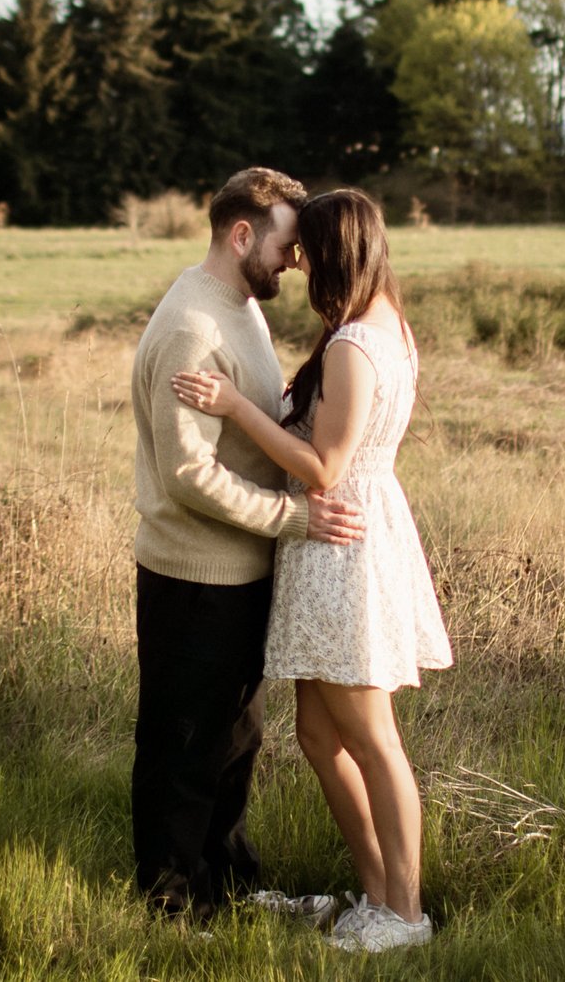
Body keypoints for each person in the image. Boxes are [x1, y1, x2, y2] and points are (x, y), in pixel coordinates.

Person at [171, 187, 451, 954]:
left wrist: (235, 405)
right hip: (334, 545)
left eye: (308, 251)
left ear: (340, 250)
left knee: (369, 734)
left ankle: (405, 913)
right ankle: (376, 894)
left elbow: (325, 466)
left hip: (342, 545)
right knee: (321, 734)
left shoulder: (359, 343)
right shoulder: (378, 322)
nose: (296, 263)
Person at [128, 167, 367, 919]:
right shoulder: (192, 327)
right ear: (242, 235)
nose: (297, 261)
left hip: (239, 566)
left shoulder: (238, 307)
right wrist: (294, 517)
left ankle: (226, 887)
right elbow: (189, 475)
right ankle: (170, 905)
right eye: (288, 244)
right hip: (195, 573)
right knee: (185, 748)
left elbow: (251, 424)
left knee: (233, 743)